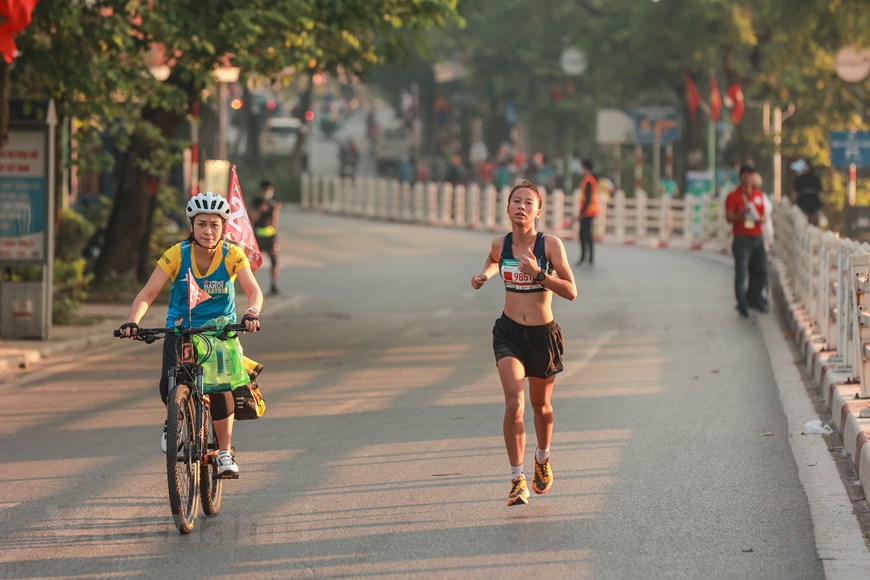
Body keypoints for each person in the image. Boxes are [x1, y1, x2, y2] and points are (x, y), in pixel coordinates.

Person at [118, 192, 264, 476]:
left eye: (214, 224)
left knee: (221, 388)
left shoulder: (232, 254)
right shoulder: (176, 254)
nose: (208, 231)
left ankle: (223, 452)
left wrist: (251, 313)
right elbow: (148, 293)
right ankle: (174, 418)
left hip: (219, 331)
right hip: (181, 327)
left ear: (223, 227)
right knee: (168, 384)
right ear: (192, 225)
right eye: (201, 224)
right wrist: (132, 321)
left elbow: (253, 291)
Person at [470, 179, 577, 506]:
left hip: (543, 336)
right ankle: (517, 479)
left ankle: (542, 458)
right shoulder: (500, 244)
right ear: (507, 208)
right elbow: (492, 259)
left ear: (538, 212)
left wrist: (539, 274)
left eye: (529, 202)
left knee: (541, 408)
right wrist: (485, 275)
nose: (521, 206)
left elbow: (571, 291)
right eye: (516, 201)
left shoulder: (551, 246)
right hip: (509, 334)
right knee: (515, 403)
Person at [725, 165, 768, 317]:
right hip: (741, 239)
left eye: (750, 174)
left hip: (757, 237)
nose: (747, 177)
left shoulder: (758, 195)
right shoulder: (733, 196)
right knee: (741, 272)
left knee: (761, 271)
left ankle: (752, 298)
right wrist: (740, 214)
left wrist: (761, 218)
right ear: (740, 176)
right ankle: (742, 303)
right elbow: (729, 217)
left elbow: (764, 215)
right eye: (744, 174)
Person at [250, 180, 281, 295]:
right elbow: (253, 217)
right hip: (258, 236)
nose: (267, 193)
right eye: (265, 190)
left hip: (270, 237)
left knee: (274, 262)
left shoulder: (275, 203)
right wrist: (260, 208)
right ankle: (251, 286)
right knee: (253, 263)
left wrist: (276, 241)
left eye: (269, 190)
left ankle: (274, 285)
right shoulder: (256, 202)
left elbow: (275, 221)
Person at [576, 159, 600, 266]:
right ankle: (589, 258)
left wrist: (582, 212)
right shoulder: (590, 179)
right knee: (588, 235)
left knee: (583, 235)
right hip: (589, 211)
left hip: (587, 212)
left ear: (585, 168)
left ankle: (583, 257)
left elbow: (588, 197)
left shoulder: (588, 180)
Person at [791, 159, 823, 226]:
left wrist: (792, 204)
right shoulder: (816, 178)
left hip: (803, 201)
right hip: (814, 201)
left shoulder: (799, 179)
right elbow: (820, 193)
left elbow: (795, 193)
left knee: (802, 220)